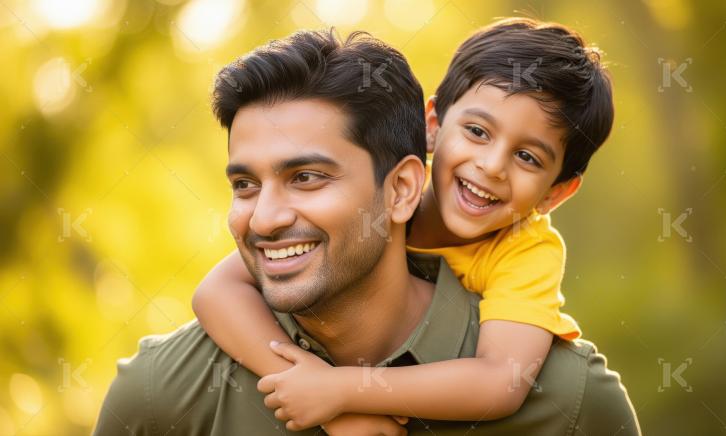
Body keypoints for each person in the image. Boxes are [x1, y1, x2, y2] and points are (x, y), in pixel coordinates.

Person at [93, 28, 639, 436]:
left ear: (555, 193)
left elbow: (499, 380)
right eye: (476, 131)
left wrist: (345, 392)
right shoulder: (161, 395)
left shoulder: (531, 272)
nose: (490, 167)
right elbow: (214, 291)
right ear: (434, 127)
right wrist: (313, 388)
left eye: (306, 177)